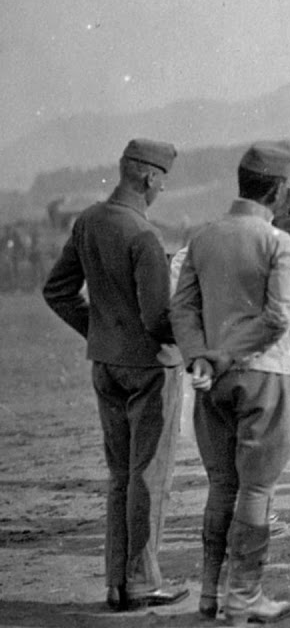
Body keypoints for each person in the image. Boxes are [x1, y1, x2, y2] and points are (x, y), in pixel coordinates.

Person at [42, 138, 189, 612]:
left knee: (121, 475)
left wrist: (101, 332)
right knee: (150, 477)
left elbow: (56, 290)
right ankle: (142, 583)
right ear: (148, 177)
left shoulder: (88, 221)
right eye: (162, 181)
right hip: (151, 370)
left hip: (105, 366)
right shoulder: (144, 235)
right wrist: (197, 340)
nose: (162, 189)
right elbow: (158, 319)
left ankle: (117, 583)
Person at [171, 142, 290, 623]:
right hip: (263, 374)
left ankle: (210, 592)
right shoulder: (277, 242)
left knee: (222, 484)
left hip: (211, 381)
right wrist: (227, 354)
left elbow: (181, 309)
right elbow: (278, 318)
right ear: (278, 189)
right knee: (256, 488)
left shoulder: (202, 238)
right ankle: (244, 596)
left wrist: (200, 359)